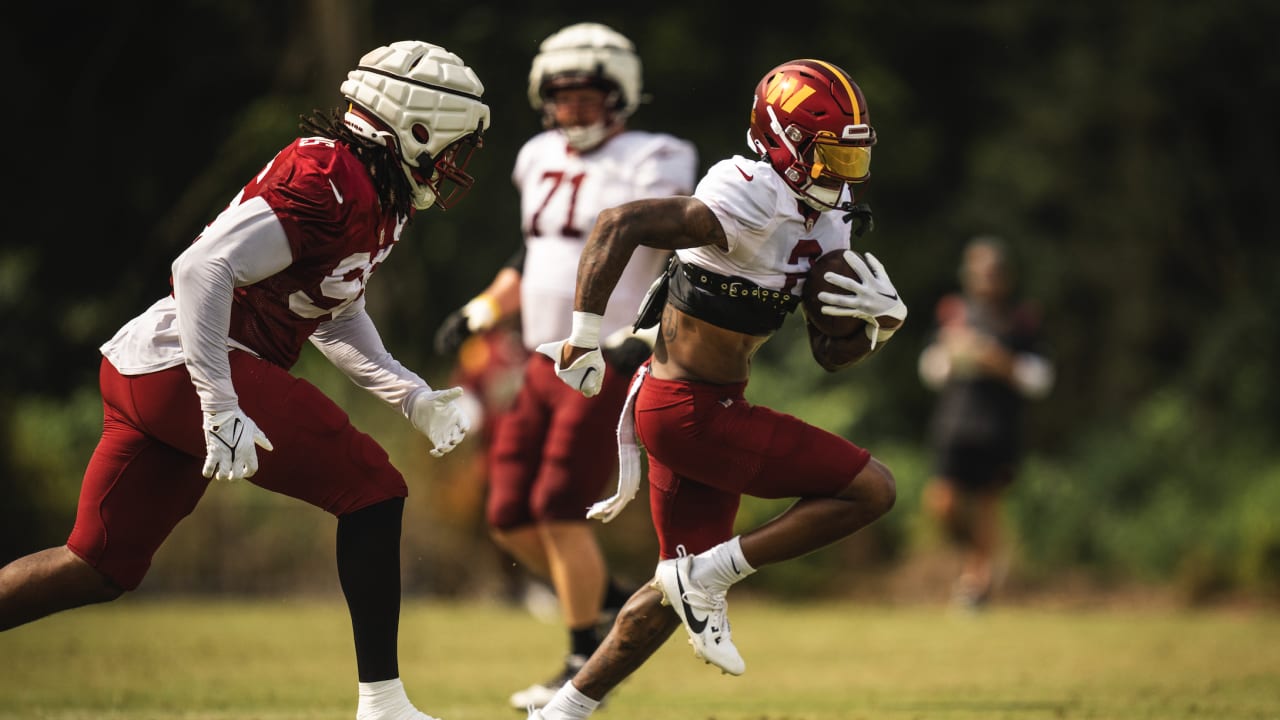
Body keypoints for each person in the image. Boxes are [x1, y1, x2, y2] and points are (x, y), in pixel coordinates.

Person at [0, 40, 489, 720]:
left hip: (165, 370)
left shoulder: (374, 195)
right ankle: (384, 706)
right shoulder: (329, 176)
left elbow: (330, 316)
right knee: (374, 488)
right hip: (191, 364)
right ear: (416, 125)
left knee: (98, 566)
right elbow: (201, 268)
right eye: (453, 143)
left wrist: (412, 395)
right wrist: (219, 404)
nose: (454, 163)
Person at [528, 58, 906, 720]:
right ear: (783, 143)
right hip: (686, 411)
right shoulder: (747, 194)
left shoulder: (829, 214)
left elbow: (827, 353)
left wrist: (873, 330)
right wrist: (584, 335)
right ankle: (708, 575)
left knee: (674, 592)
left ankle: (562, 711)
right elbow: (621, 223)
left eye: (851, 161)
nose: (842, 177)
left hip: (697, 408)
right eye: (828, 159)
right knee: (872, 489)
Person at [432, 22, 697, 711]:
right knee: (508, 512)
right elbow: (535, 258)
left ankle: (583, 660)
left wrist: (641, 335)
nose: (574, 110)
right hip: (542, 361)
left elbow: (675, 261)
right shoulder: (535, 156)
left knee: (556, 507)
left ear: (621, 95)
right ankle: (610, 606)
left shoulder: (657, 155)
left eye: (589, 97)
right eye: (563, 97)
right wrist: (484, 310)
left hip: (607, 356)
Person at [917, 235, 1054, 610]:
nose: (986, 280)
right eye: (979, 272)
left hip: (999, 424)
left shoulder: (1022, 319)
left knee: (988, 505)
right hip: (954, 423)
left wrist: (998, 361)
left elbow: (1040, 379)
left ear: (1005, 277)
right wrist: (950, 351)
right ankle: (976, 565)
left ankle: (976, 586)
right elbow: (931, 371)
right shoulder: (954, 314)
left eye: (992, 273)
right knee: (942, 503)